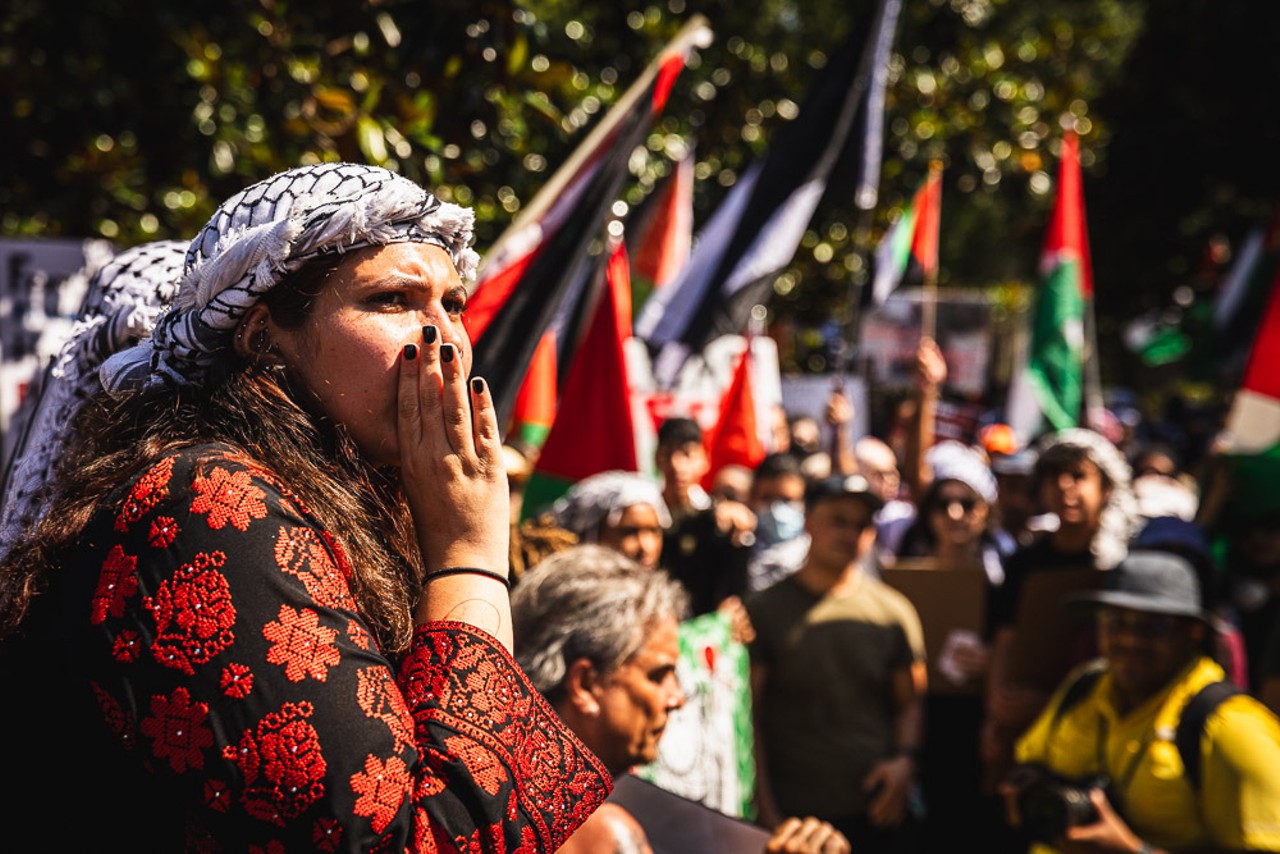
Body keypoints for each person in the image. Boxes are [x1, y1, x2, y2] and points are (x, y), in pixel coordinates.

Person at [0, 163, 609, 850]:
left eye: (454, 303)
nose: (446, 338)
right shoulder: (208, 504)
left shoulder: (341, 502)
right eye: (393, 301)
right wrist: (471, 555)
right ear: (262, 337)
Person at [511, 544, 852, 854]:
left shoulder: (489, 794)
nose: (676, 699)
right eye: (658, 675)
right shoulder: (603, 834)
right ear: (585, 685)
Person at [1001, 550, 1280, 853]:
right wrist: (1027, 788)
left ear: (1193, 632)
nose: (1130, 639)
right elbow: (1030, 758)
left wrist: (1134, 851)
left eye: (1154, 625)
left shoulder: (1232, 727)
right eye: (1115, 621)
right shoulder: (1083, 686)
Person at [746, 473, 927, 853]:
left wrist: (903, 763)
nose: (850, 534)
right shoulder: (764, 610)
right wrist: (766, 811)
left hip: (874, 814)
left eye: (861, 525)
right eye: (838, 521)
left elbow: (910, 702)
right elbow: (750, 718)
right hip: (794, 820)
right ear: (808, 521)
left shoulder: (893, 613)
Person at [982, 427, 1141, 801]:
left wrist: (1055, 702)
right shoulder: (1025, 561)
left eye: (1079, 475)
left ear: (1105, 488)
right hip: (1024, 727)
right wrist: (994, 713)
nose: (1065, 486)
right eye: (1054, 476)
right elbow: (1005, 641)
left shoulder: (1121, 564)